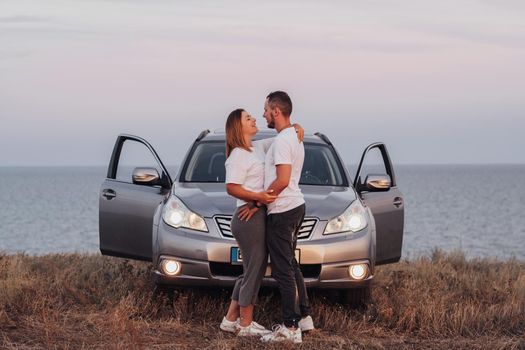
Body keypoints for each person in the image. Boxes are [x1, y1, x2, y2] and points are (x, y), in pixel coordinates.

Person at [219, 108, 304, 337]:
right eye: (248, 118)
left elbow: (283, 138)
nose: (255, 118)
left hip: (256, 215)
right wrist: (258, 198)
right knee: (255, 270)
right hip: (248, 218)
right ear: (238, 127)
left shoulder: (257, 148)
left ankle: (229, 319)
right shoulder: (238, 154)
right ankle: (245, 325)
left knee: (250, 270)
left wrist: (297, 127)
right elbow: (231, 188)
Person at [258, 91, 312, 344]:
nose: (263, 114)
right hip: (295, 205)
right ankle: (304, 318)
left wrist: (259, 200)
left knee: (282, 270)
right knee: (290, 264)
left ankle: (290, 328)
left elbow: (282, 180)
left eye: (266, 109)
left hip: (283, 209)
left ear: (276, 111)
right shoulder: (292, 136)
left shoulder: (283, 141)